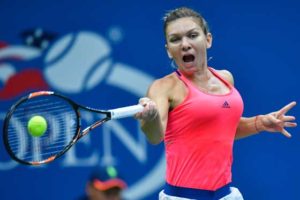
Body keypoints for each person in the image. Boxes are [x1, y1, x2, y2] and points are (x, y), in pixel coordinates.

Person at [134, 7, 297, 200]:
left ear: (208, 39)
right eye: (175, 39)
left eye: (192, 35)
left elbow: (222, 129)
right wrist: (150, 118)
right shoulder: (163, 87)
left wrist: (260, 123)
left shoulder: (226, 78)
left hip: (227, 194)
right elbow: (154, 136)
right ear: (169, 50)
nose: (185, 44)